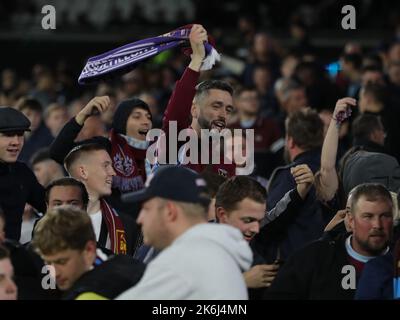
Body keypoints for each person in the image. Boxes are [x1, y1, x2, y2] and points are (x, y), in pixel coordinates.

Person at [117, 166, 252, 300]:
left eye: (146, 209)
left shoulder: (182, 262)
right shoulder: (218, 251)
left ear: (170, 212)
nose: (140, 219)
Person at [265, 183, 393, 300]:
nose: (377, 225)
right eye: (368, 217)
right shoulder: (312, 258)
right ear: (350, 220)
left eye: (385, 216)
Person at [155, 24, 236, 177]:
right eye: (216, 106)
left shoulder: (227, 163)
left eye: (228, 109)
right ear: (194, 109)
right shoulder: (175, 140)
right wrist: (197, 59)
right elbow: (176, 110)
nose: (223, 114)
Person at [32, 206, 145, 300]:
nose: (54, 273)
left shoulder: (87, 295)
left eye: (62, 261)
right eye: (48, 262)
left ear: (89, 250)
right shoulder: (131, 265)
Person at [260, 107, 325, 261]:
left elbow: (267, 223)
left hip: (294, 264)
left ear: (290, 141)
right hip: (325, 261)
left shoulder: (290, 176)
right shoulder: (333, 173)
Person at [64, 143, 140, 255]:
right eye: (106, 165)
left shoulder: (127, 226)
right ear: (83, 172)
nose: (113, 173)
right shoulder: (51, 224)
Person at [215, 176, 279, 299]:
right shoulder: (193, 249)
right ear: (222, 215)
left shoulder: (253, 254)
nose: (256, 229)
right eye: (248, 220)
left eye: (259, 221)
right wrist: (241, 282)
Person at [0, 107, 46, 241]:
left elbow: (49, 205)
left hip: (11, 256)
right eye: (8, 135)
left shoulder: (22, 173)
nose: (16, 142)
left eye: (20, 135)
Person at [16, 98, 54, 165]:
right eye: (28, 114)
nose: (33, 119)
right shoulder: (10, 136)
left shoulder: (47, 136)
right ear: (19, 115)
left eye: (37, 115)